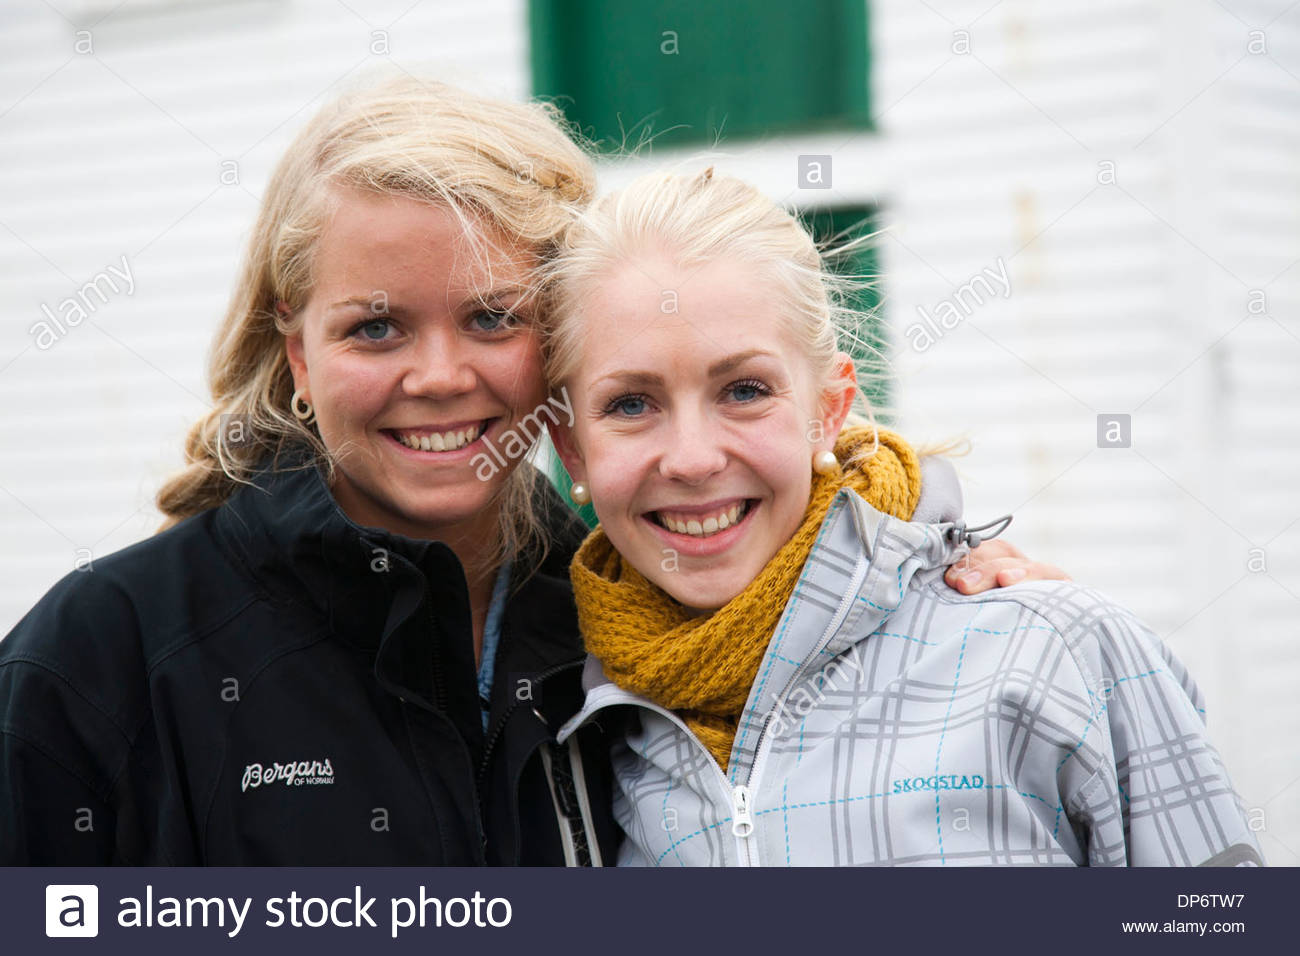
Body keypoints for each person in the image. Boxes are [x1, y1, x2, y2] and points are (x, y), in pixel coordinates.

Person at [0, 76, 1057, 866]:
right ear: (299, 354)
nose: (439, 375)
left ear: (562, 341)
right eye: (375, 328)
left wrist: (941, 582)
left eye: (492, 317)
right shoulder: (96, 660)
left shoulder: (639, 617)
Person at [544, 168, 1264, 866]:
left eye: (745, 390)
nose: (693, 459)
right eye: (631, 404)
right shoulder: (569, 720)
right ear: (572, 449)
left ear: (829, 410)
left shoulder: (1059, 653)